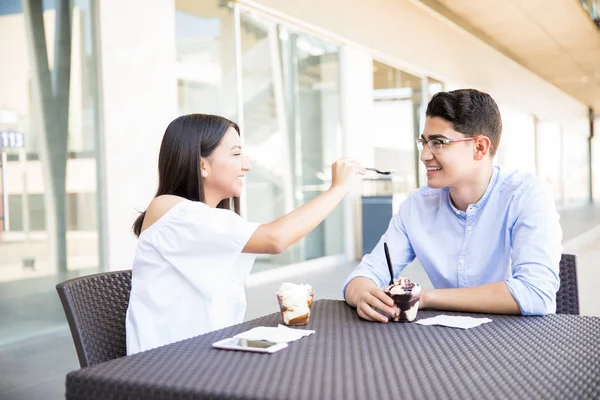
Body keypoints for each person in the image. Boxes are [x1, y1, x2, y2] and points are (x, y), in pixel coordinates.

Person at [126, 114, 365, 354]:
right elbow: (275, 239)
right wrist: (338, 188)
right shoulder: (169, 209)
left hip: (206, 354)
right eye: (236, 153)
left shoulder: (203, 221)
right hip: (163, 367)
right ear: (202, 165)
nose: (247, 164)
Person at [344, 89, 562, 322]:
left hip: (519, 341)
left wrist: (425, 298)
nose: (425, 155)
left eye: (438, 142)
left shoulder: (525, 195)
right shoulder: (417, 206)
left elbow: (536, 293)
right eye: (424, 142)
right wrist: (363, 294)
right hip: (446, 341)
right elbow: (365, 275)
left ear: (479, 148)